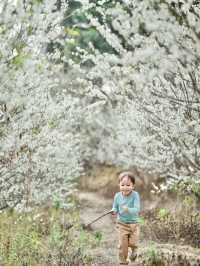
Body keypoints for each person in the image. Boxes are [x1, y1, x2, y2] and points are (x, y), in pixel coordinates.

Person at [111, 171, 140, 265]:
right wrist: (114, 210)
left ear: (133, 186)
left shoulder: (135, 195)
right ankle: (123, 262)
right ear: (119, 185)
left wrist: (128, 209)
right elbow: (115, 207)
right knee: (123, 245)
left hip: (133, 224)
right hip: (122, 223)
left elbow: (136, 209)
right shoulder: (117, 196)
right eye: (122, 185)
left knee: (133, 243)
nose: (125, 187)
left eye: (128, 185)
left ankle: (134, 250)